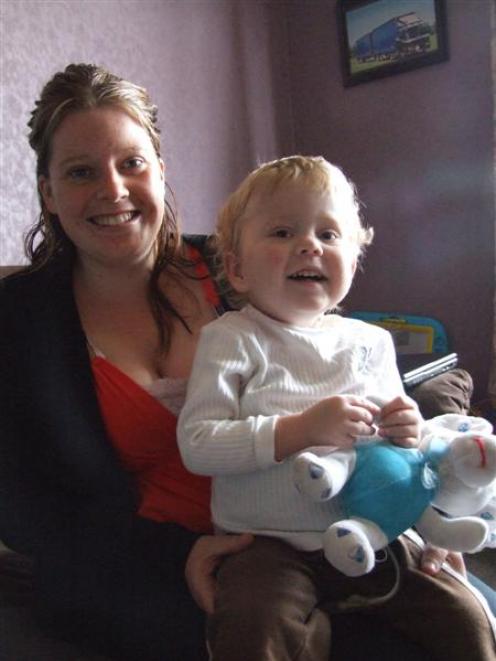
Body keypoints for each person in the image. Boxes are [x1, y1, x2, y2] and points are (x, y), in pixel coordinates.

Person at [0, 64, 493, 661]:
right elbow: (24, 507)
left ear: (159, 168)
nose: (113, 189)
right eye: (81, 172)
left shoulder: (249, 262)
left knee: (463, 619)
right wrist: (177, 556)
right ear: (49, 193)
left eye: (131, 163)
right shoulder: (21, 320)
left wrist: (417, 510)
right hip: (147, 562)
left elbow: (351, 393)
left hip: (327, 522)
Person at [177, 156, 496, 660]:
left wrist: (407, 430)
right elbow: (198, 444)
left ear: (353, 259)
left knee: (466, 617)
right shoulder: (231, 339)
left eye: (329, 234)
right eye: (282, 231)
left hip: (373, 529)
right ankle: (308, 636)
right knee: (252, 629)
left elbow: (399, 446)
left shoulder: (370, 341)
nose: (309, 245)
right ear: (236, 268)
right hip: (266, 544)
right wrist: (298, 430)